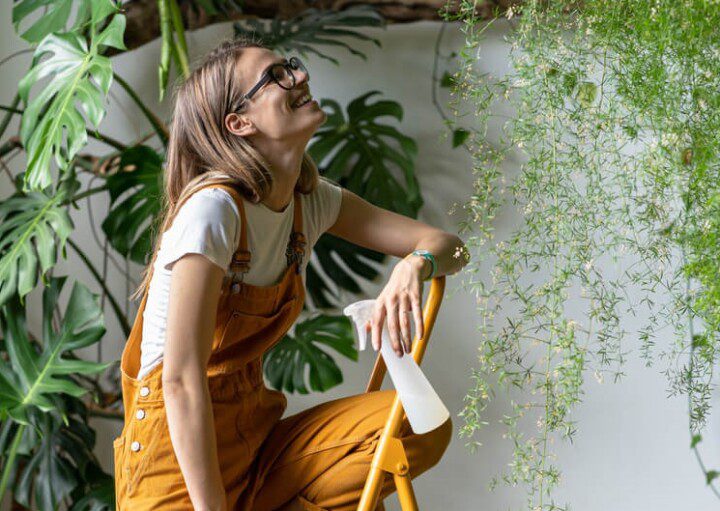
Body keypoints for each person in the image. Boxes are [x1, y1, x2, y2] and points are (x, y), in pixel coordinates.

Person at [113, 36, 469, 511]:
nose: (299, 77)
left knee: (419, 426)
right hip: (175, 466)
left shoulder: (310, 203)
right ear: (239, 123)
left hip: (255, 445)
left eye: (292, 67)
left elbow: (453, 248)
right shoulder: (213, 212)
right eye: (275, 77)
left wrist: (414, 265)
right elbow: (180, 381)